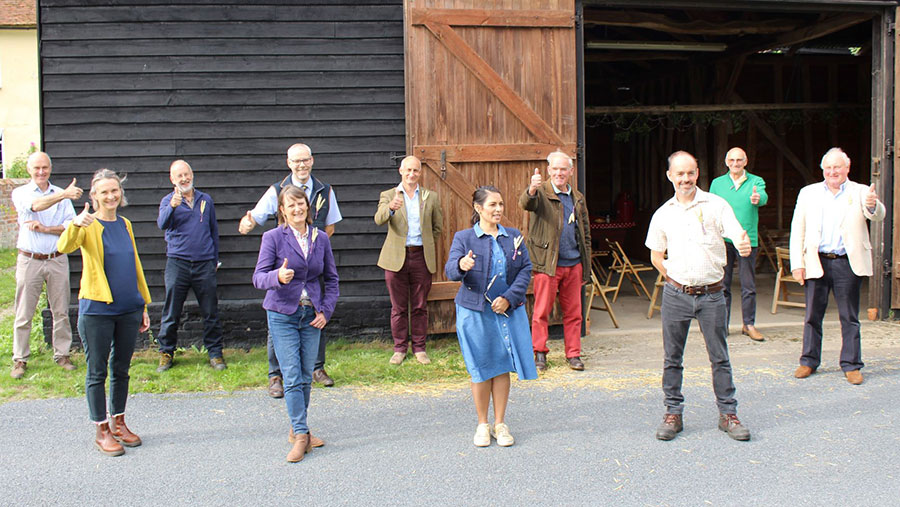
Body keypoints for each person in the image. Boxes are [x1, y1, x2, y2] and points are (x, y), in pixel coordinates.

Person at [645, 151, 753, 442]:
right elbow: (656, 255)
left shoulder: (716, 205)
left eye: (690, 173)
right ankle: (672, 414)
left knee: (720, 357)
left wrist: (742, 244)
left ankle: (728, 414)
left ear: (698, 173)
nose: (685, 179)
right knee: (672, 358)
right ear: (670, 176)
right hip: (676, 294)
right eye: (679, 174)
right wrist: (673, 279)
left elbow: (736, 233)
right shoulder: (663, 213)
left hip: (713, 295)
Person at [57, 169, 151, 456]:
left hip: (128, 308)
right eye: (104, 192)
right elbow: (64, 246)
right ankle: (101, 430)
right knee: (97, 371)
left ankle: (119, 422)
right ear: (93, 196)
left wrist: (142, 304)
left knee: (121, 369)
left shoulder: (125, 224)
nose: (110, 196)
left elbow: (133, 265)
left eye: (115, 191)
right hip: (97, 310)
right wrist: (75, 223)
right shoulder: (87, 224)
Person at [239, 143, 342, 393]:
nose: (302, 165)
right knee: (280, 315)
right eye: (296, 161)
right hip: (285, 264)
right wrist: (248, 222)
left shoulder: (325, 190)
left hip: (312, 261)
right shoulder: (277, 190)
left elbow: (331, 225)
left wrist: (316, 246)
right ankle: (275, 375)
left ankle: (317, 367)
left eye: (305, 160)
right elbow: (257, 216)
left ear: (312, 161)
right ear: (289, 163)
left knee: (317, 310)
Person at [252, 184, 339, 462]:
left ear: (308, 207)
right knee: (291, 376)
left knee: (304, 376)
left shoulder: (320, 238)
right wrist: (278, 276)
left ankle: (296, 427)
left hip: (311, 315)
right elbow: (258, 278)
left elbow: (332, 279)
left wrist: (325, 310)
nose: (297, 209)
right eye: (291, 205)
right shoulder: (273, 237)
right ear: (282, 211)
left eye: (301, 204)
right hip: (282, 314)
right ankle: (302, 435)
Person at [445, 186, 537, 447]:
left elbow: (525, 270)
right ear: (478, 208)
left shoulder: (513, 237)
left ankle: (500, 424)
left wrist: (509, 298)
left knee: (501, 365)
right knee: (481, 368)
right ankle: (482, 424)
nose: (498, 209)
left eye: (501, 204)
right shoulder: (464, 238)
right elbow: (450, 269)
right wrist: (462, 265)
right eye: (492, 205)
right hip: (474, 314)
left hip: (505, 313)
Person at [789, 147, 885, 385]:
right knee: (812, 315)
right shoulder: (808, 193)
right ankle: (808, 361)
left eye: (837, 167)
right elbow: (797, 229)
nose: (833, 172)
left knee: (849, 316)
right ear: (823, 169)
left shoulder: (862, 191)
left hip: (846, 262)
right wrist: (796, 264)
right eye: (828, 167)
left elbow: (877, 215)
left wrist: (873, 205)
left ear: (847, 168)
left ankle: (852, 365)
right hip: (816, 260)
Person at [519, 151, 591, 372]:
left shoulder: (577, 198)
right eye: (555, 169)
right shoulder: (540, 193)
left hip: (574, 264)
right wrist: (531, 188)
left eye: (564, 169)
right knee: (541, 312)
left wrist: (585, 264)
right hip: (548, 265)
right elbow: (525, 203)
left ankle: (573, 354)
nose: (559, 173)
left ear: (570, 171)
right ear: (549, 170)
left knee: (574, 313)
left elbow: (586, 232)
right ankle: (539, 353)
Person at [10, 151, 80, 378]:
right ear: (29, 170)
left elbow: (70, 226)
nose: (41, 172)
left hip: (57, 258)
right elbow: (35, 206)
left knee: (61, 310)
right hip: (29, 259)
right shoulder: (20, 193)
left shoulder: (61, 193)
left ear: (50, 169)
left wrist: (46, 229)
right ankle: (20, 359)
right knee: (24, 312)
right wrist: (63, 196)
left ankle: (62, 354)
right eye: (37, 168)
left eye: (45, 168)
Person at [155, 160, 226, 372]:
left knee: (210, 311)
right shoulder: (167, 201)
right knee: (171, 311)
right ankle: (166, 353)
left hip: (204, 263)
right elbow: (162, 224)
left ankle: (215, 354)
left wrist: (214, 260)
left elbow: (213, 231)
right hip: (178, 263)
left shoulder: (206, 200)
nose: (184, 179)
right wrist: (173, 206)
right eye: (179, 176)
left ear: (192, 174)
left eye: (186, 174)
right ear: (172, 179)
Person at [374, 156, 443, 365]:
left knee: (420, 305)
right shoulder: (388, 195)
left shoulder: (430, 197)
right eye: (408, 170)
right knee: (399, 307)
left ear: (420, 173)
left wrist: (427, 245)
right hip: (396, 258)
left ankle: (420, 348)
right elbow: (378, 219)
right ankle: (399, 348)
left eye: (416, 171)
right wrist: (392, 208)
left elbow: (437, 228)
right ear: (400, 171)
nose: (412, 174)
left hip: (421, 256)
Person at [709, 147, 768, 341]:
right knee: (723, 285)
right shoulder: (717, 183)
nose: (735, 164)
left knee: (748, 285)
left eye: (739, 160)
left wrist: (757, 198)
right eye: (732, 160)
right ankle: (722, 326)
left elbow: (763, 197)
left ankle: (748, 324)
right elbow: (710, 208)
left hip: (746, 239)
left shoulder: (755, 181)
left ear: (746, 161)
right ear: (726, 162)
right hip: (723, 239)